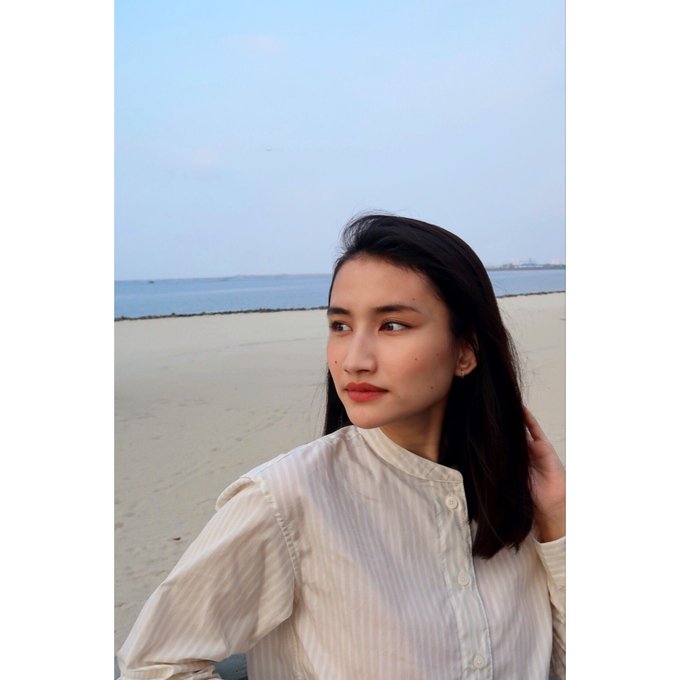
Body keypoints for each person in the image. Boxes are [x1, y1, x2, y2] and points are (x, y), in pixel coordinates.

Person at [117, 214, 566, 679]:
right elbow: (154, 664)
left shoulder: (516, 497)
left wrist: (558, 522)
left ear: (466, 351)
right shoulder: (286, 500)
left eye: (392, 325)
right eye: (340, 325)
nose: (354, 360)